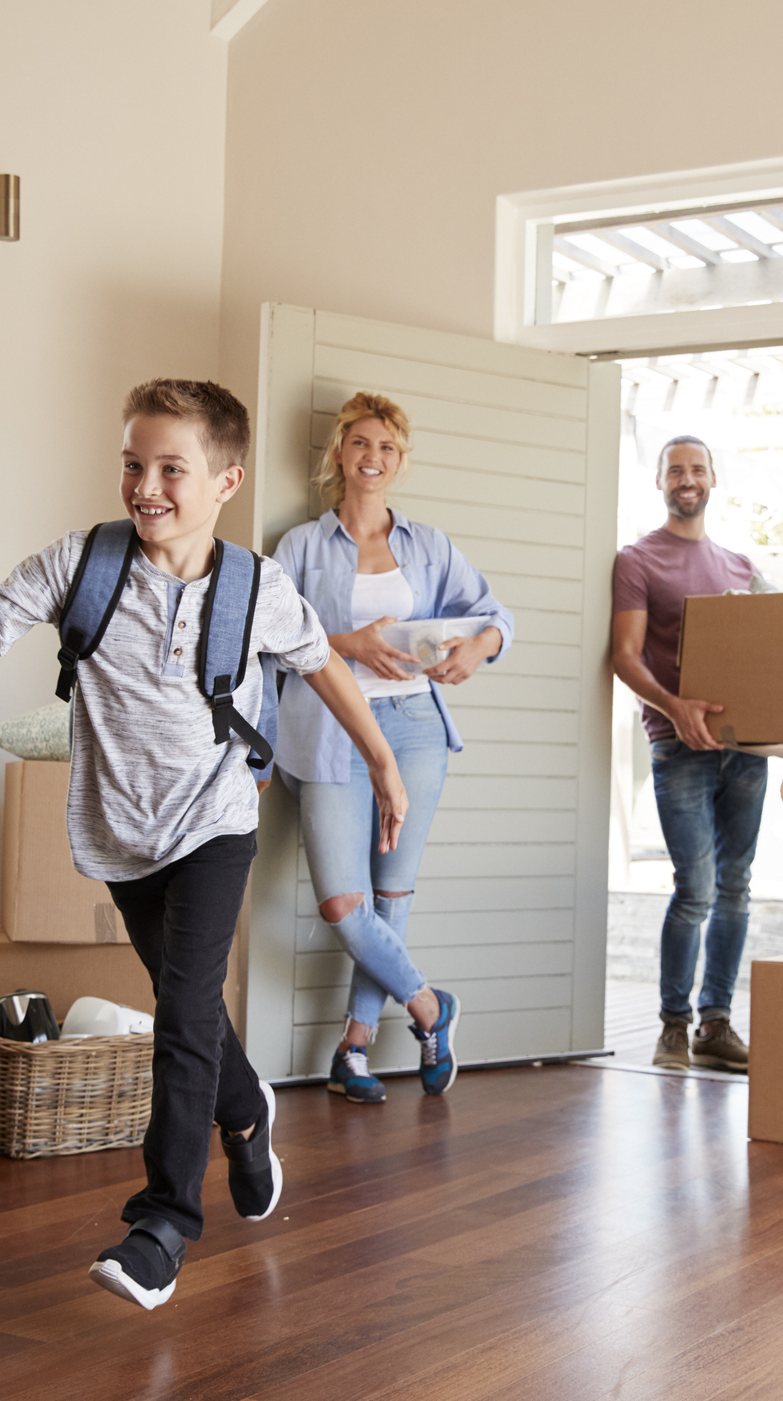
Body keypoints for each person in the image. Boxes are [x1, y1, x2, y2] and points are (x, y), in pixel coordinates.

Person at [0, 379, 409, 1314]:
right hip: (119, 830)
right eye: (131, 464)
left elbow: (323, 668)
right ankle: (246, 1109)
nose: (145, 485)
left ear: (226, 479)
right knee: (183, 1001)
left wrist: (385, 768)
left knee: (185, 1008)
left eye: (170, 468)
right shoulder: (84, 565)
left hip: (215, 820)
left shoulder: (257, 589)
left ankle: (163, 1224)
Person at [272, 392, 514, 1103]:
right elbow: (269, 633)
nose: (371, 457)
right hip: (329, 733)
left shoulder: (427, 545)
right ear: (338, 454)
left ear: (399, 462)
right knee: (345, 906)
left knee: (391, 897)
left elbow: (495, 617)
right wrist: (347, 644)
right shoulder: (300, 546)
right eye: (360, 443)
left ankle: (352, 1052)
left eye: (386, 447)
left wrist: (477, 648)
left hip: (415, 729)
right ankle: (430, 1008)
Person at [609, 436, 763, 1072]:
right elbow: (623, 655)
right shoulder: (637, 560)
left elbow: (772, 650)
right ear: (660, 482)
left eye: (698, 469)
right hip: (678, 745)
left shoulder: (742, 568)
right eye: (677, 470)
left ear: (713, 479)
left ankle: (716, 1024)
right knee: (695, 888)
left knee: (736, 888)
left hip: (745, 748)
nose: (688, 479)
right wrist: (677, 708)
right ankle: (674, 1024)